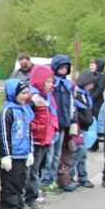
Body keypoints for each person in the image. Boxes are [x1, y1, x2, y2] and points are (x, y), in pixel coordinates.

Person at [0, 79, 34, 209]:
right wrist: (6, 155)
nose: (26, 96)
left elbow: (28, 132)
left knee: (20, 184)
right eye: (22, 93)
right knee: (10, 185)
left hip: (23, 155)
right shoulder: (7, 111)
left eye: (27, 93)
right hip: (12, 157)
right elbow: (2, 134)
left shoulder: (24, 110)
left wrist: (30, 152)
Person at [24, 65, 58, 209]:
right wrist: (35, 129)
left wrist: (54, 129)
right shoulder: (33, 98)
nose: (51, 85)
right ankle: (30, 198)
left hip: (46, 139)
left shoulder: (47, 97)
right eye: (48, 81)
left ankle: (33, 195)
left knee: (40, 167)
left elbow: (52, 116)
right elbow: (26, 118)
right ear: (40, 80)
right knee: (33, 171)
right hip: (36, 140)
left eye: (51, 82)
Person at [41, 54, 76, 194]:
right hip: (52, 124)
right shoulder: (52, 84)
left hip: (63, 123)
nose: (64, 70)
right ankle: (45, 180)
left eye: (66, 68)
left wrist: (72, 121)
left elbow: (71, 105)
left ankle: (52, 179)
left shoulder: (67, 85)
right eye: (61, 67)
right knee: (49, 154)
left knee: (57, 154)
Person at [70, 70, 96, 188]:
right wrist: (84, 120)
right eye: (90, 83)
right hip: (78, 128)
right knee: (78, 152)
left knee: (83, 153)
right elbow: (76, 111)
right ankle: (71, 175)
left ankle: (82, 176)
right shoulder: (77, 95)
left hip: (85, 127)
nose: (92, 86)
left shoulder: (86, 95)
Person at [87, 58, 105, 152]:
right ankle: (90, 142)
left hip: (96, 103)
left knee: (94, 123)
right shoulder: (90, 75)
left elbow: (100, 89)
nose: (91, 65)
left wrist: (90, 99)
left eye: (93, 64)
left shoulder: (101, 76)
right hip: (88, 102)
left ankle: (95, 144)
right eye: (90, 64)